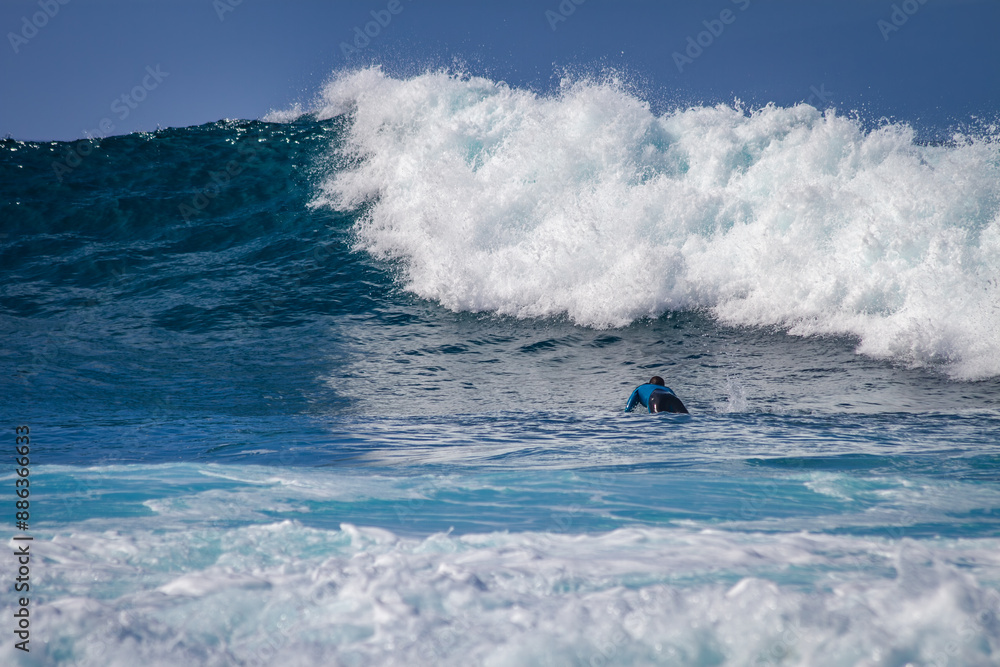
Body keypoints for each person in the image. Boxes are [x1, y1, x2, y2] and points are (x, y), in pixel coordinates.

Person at [624, 376, 689, 414]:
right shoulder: (667, 389)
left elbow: (628, 409)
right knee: (684, 416)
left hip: (655, 397)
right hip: (670, 396)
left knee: (657, 419)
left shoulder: (641, 387)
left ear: (650, 383)